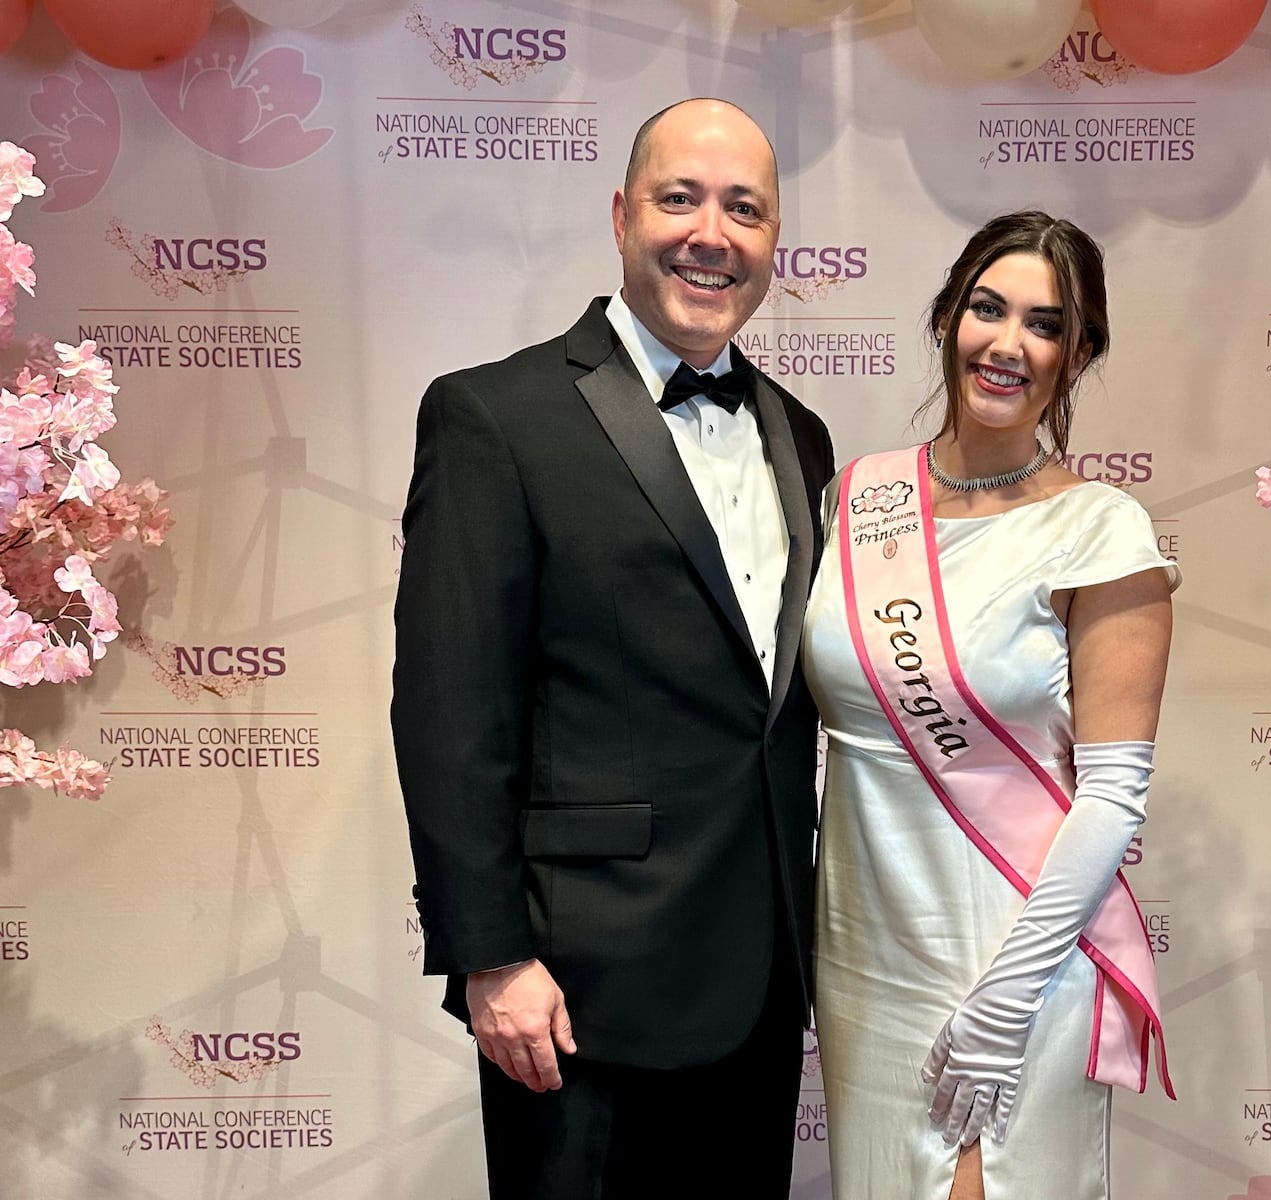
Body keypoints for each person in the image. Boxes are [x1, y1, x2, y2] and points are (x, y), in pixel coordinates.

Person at [391, 98, 834, 1199]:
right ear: (621, 213)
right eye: (679, 197)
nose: (711, 233)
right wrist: (489, 957)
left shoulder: (800, 431)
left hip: (762, 979)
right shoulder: (494, 415)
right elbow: (451, 710)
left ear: (774, 240)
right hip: (575, 986)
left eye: (745, 208)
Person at [803, 210, 1178, 1200]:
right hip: (863, 955)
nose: (1008, 343)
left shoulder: (1100, 528)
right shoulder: (857, 500)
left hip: (1014, 959)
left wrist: (1007, 1001)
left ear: (1078, 353)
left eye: (1046, 325)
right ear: (945, 319)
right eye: (987, 308)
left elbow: (1110, 796)